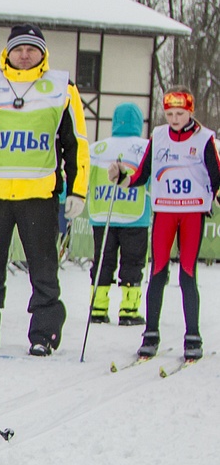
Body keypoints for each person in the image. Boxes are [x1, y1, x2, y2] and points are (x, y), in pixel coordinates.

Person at [0, 23, 90, 356]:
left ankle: (44, 334)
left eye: (32, 49)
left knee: (43, 270)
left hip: (39, 196)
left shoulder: (61, 87)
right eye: (19, 48)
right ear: (8, 52)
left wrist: (77, 189)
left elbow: (76, 143)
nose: (25, 55)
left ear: (42, 54)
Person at [108, 86, 220, 361]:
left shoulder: (204, 138)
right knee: (157, 270)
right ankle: (151, 334)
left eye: (180, 113)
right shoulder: (158, 136)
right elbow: (142, 174)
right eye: (170, 113)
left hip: (192, 211)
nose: (174, 119)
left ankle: (192, 336)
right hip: (165, 211)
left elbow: (215, 173)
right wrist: (122, 177)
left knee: (187, 272)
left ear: (190, 112)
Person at [85, 102, 150, 326]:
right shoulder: (145, 148)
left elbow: (83, 178)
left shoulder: (96, 148)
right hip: (135, 215)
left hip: (102, 215)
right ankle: (129, 310)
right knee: (132, 262)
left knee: (102, 260)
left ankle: (98, 307)